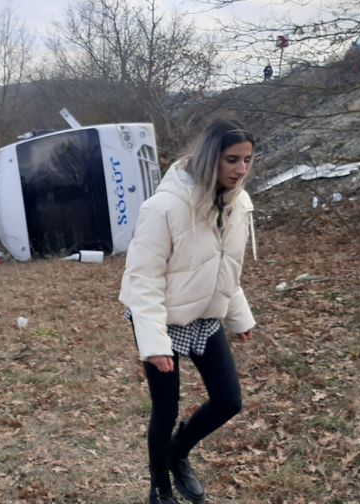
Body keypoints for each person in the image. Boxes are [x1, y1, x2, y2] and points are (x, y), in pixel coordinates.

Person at [119, 119, 257, 504]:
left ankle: (178, 453)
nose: (241, 170)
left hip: (205, 315)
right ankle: (159, 485)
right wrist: (154, 343)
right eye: (232, 160)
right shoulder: (163, 207)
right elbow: (143, 278)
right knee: (165, 408)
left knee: (229, 400)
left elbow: (226, 265)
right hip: (160, 315)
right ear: (211, 156)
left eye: (247, 160)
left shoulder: (238, 202)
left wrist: (237, 316)